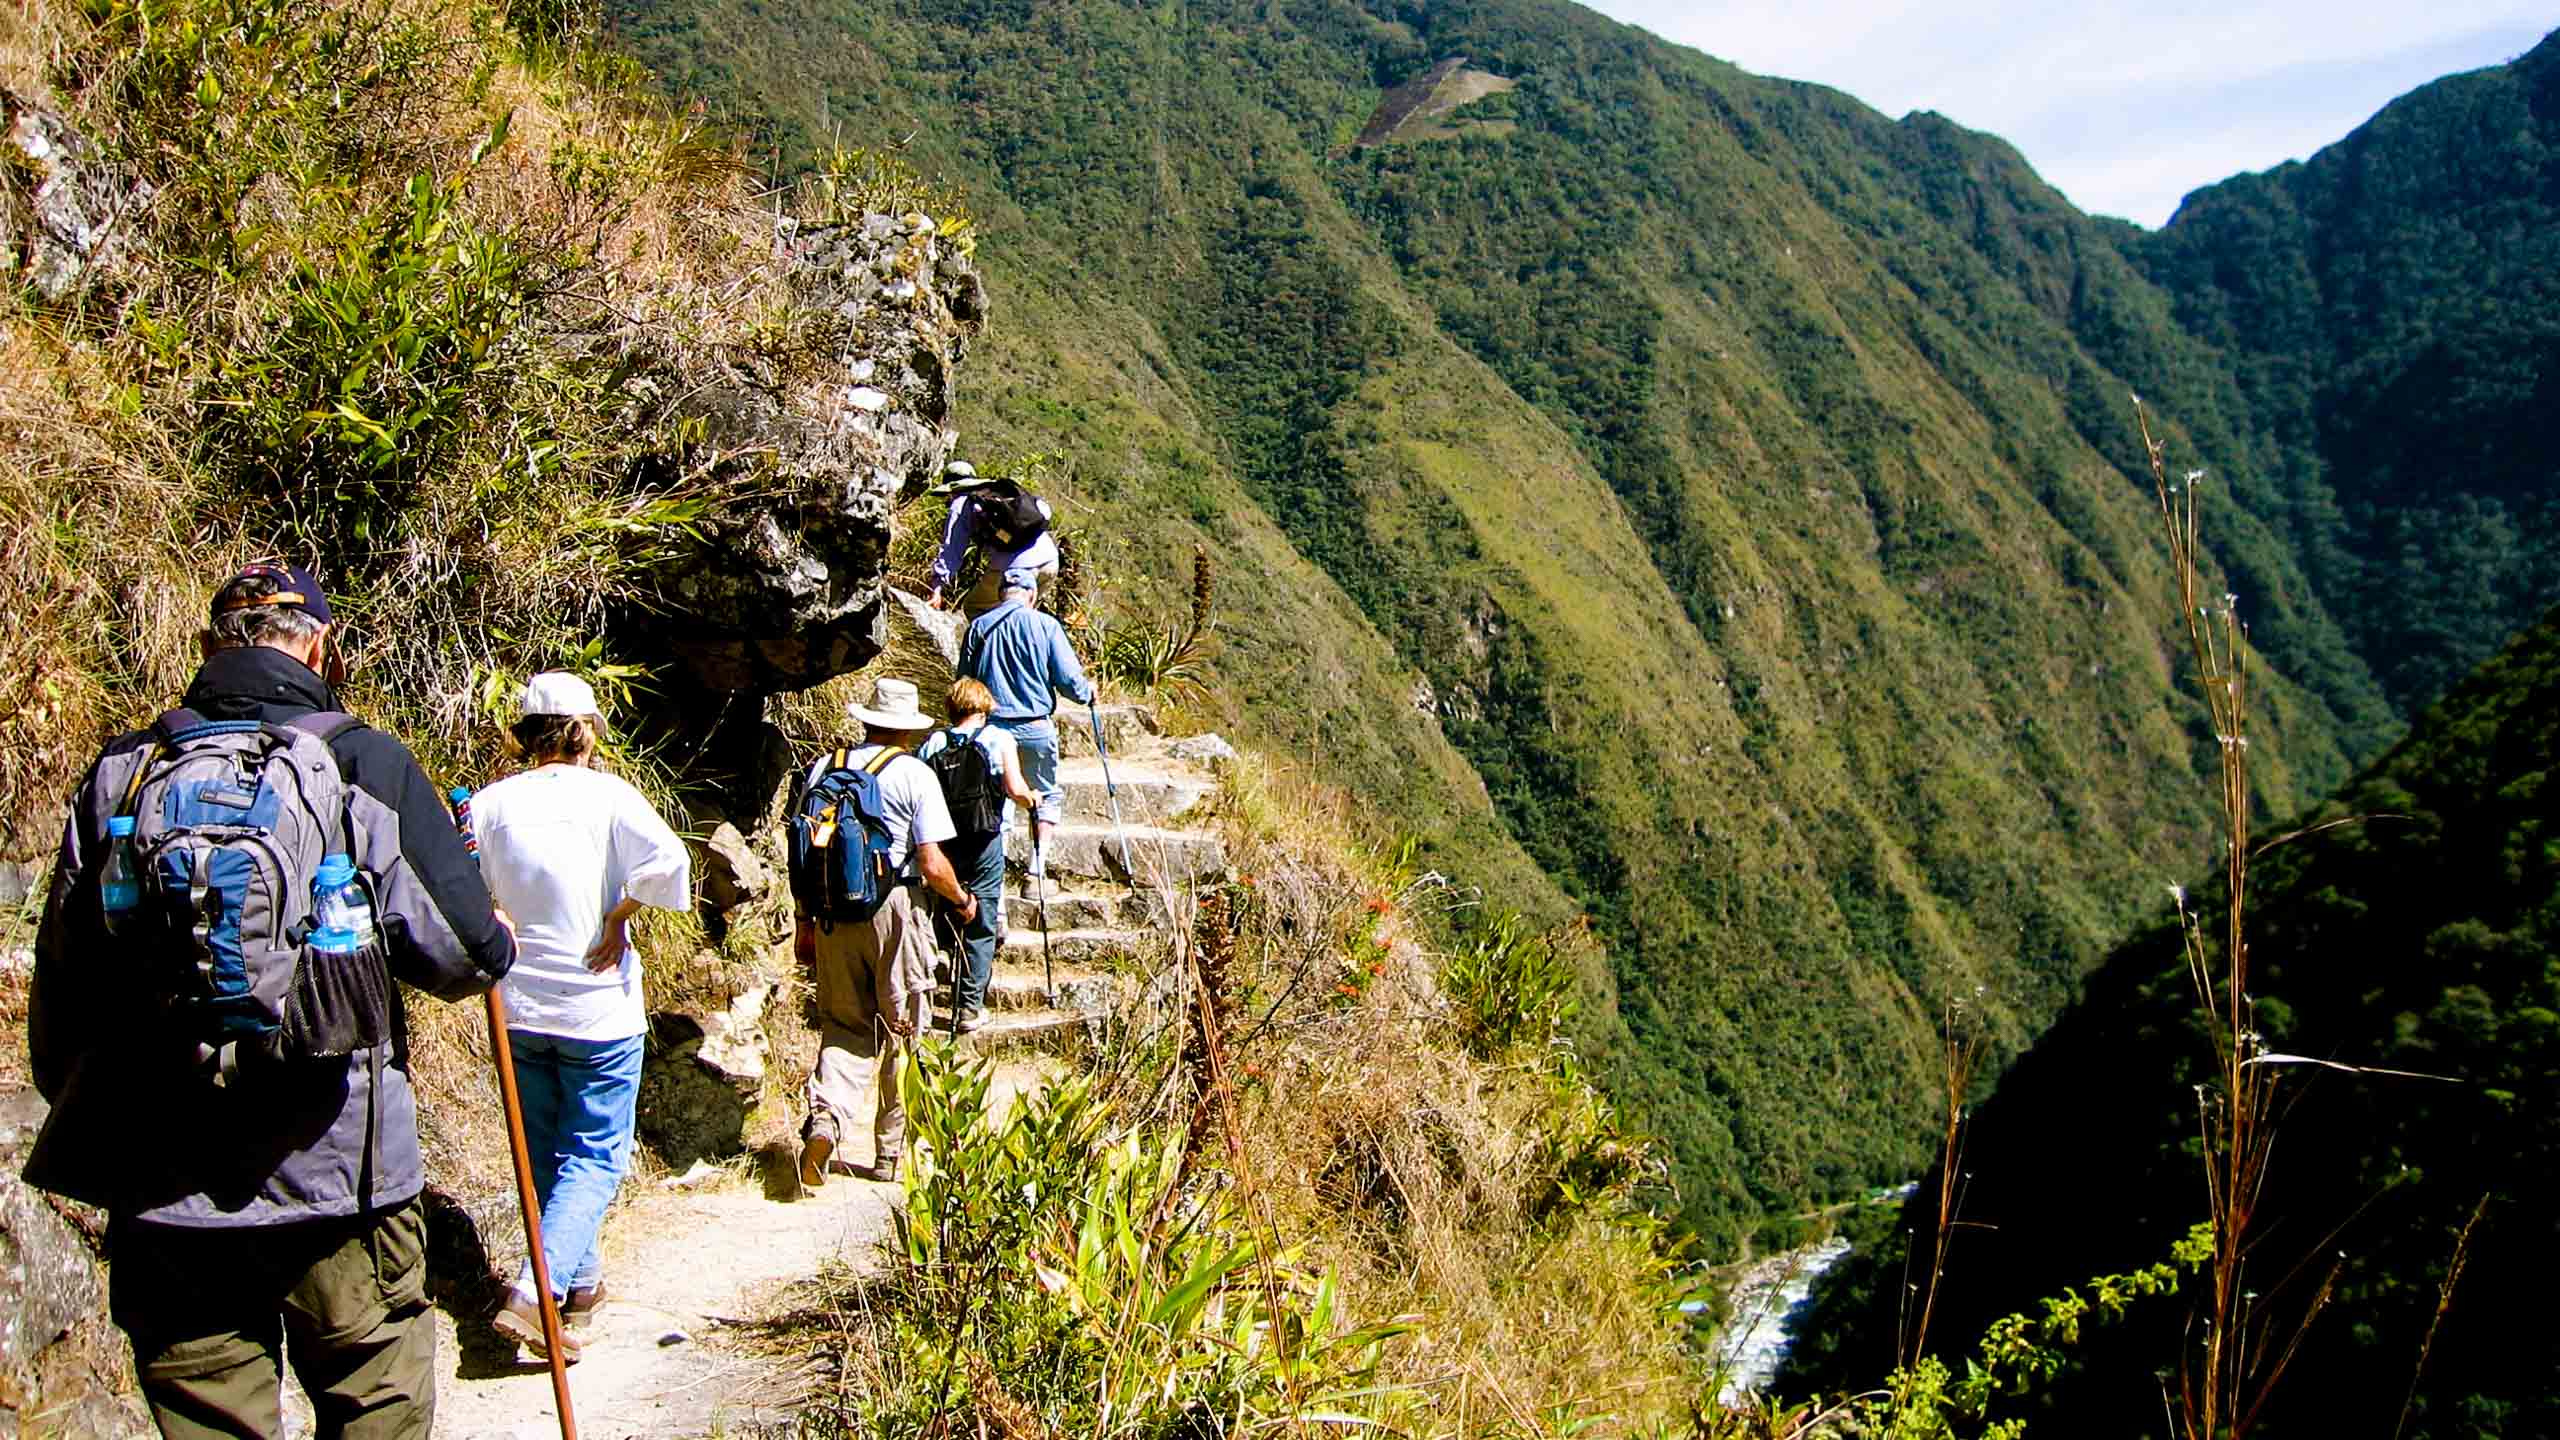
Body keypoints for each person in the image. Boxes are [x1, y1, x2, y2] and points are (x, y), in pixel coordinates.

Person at [26, 562, 517, 1440]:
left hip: (165, 1181)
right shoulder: (360, 760)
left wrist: (90, 1113)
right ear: (320, 647)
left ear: (211, 645)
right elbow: (464, 957)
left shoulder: (123, 773)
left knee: (212, 1418)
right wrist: (499, 937)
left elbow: (66, 972)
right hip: (339, 1173)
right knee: (374, 1400)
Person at [467, 672, 690, 1361]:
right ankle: (539, 1295)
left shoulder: (488, 803)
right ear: (586, 729)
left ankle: (581, 1284)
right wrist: (621, 915)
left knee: (544, 1154)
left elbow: (462, 890)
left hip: (519, 1006)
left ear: (525, 733)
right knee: (596, 1155)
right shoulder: (610, 796)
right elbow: (669, 863)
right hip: (598, 1010)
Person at [794, 678, 980, 1187]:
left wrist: (804, 924)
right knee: (904, 1032)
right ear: (909, 730)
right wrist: (963, 901)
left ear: (866, 719)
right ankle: (888, 1156)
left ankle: (826, 1124)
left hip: (832, 913)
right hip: (896, 908)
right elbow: (931, 861)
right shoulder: (914, 775)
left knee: (843, 1026)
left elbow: (807, 854)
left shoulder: (824, 768)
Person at [917, 678, 1037, 1033]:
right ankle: (968, 1006)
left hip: (943, 839)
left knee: (947, 903)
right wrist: (1032, 800)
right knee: (981, 917)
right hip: (985, 838)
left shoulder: (934, 743)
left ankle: (940, 966)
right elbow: (1015, 789)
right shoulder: (999, 739)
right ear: (984, 709)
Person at [958, 565, 1096, 869]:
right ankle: (1037, 868)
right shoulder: (1047, 626)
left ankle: (997, 867)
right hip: (1034, 726)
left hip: (990, 730)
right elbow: (1069, 680)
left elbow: (965, 685)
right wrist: (1088, 694)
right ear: (1032, 595)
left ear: (999, 594)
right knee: (1045, 795)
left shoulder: (979, 627)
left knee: (996, 798)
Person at [925, 462, 1060, 617]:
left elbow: (951, 550)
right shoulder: (996, 490)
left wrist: (937, 587)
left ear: (951, 489)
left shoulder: (960, 504)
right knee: (1021, 620)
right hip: (1050, 561)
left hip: (1017, 568)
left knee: (974, 609)